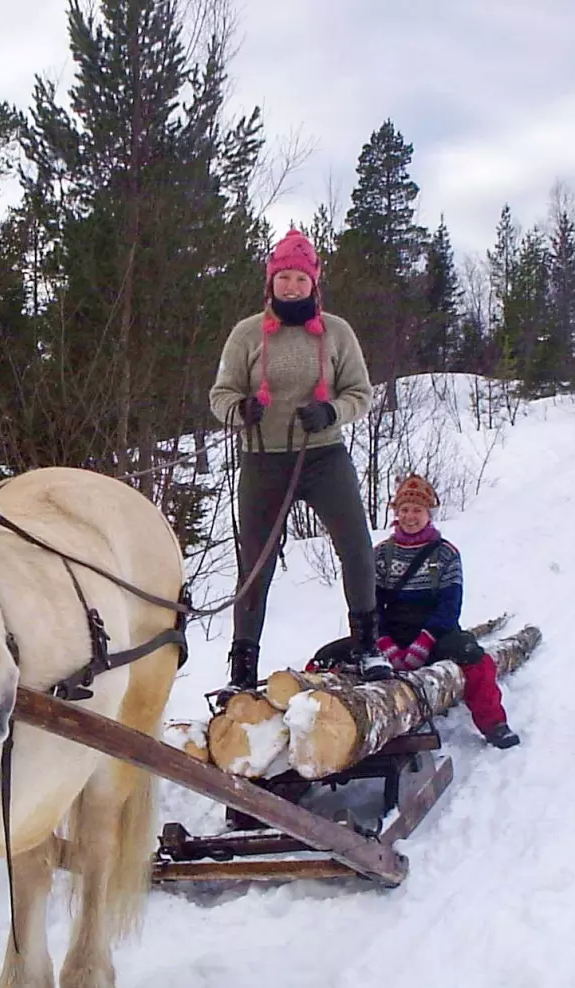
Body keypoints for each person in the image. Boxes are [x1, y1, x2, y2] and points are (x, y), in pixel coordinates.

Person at [208, 227, 392, 692]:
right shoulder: (246, 334)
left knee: (355, 546)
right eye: (284, 278)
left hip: (323, 454)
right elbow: (221, 393)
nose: (291, 287)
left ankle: (368, 647)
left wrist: (331, 410)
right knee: (255, 565)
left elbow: (361, 393)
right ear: (271, 282)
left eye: (300, 279)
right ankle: (242, 673)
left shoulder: (337, 332)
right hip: (262, 458)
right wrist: (239, 410)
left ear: (314, 284)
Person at [317, 473, 521, 749]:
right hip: (389, 633)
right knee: (326, 658)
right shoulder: (380, 555)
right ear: (396, 513)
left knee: (476, 658)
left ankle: (494, 724)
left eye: (417, 510)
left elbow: (450, 606)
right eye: (404, 510)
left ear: (429, 513)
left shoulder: (447, 554)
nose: (410, 516)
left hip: (437, 633)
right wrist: (384, 644)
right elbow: (369, 605)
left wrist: (423, 644)